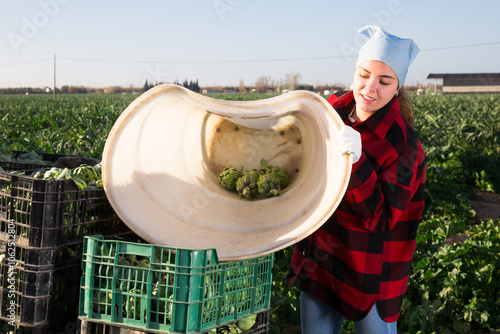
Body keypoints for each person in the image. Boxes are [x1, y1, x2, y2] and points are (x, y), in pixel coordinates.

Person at [287, 25, 427, 334]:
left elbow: (382, 220)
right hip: (323, 258)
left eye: (384, 81)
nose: (370, 88)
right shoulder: (329, 114)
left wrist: (358, 161)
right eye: (364, 75)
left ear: (397, 88)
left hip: (370, 267)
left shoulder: (405, 149)